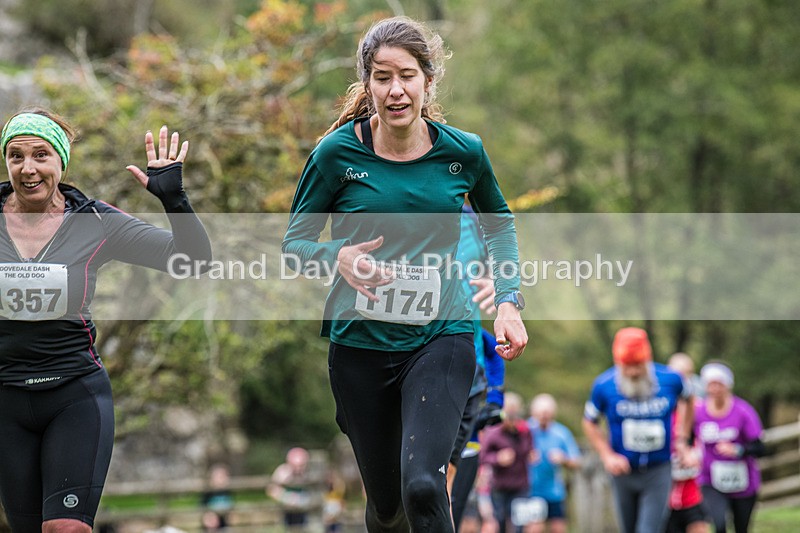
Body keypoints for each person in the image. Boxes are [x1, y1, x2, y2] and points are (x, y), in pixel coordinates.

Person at [281, 16, 527, 532]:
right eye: (382, 77)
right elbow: (295, 245)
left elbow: (499, 225)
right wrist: (338, 258)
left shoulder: (463, 152)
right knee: (389, 505)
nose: (396, 90)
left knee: (423, 484)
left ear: (428, 81)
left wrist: (508, 301)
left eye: (408, 76)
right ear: (367, 83)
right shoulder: (336, 155)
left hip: (443, 334)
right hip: (361, 344)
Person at [0, 108, 211, 532]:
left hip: (73, 394)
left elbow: (194, 262)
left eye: (41, 155)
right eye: (16, 156)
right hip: (5, 398)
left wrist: (175, 200)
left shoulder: (95, 221)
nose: (28, 169)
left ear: (61, 161)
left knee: (66, 527)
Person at [582, 327, 692, 533]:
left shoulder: (671, 379)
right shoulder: (603, 385)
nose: (632, 372)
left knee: (648, 530)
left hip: (658, 470)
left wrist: (682, 439)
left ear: (647, 359)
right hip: (623, 473)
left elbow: (689, 397)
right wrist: (607, 456)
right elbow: (589, 421)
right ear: (617, 362)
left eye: (638, 366)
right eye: (627, 366)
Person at [449, 205, 507, 532]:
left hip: (472, 400)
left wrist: (496, 399)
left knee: (455, 501)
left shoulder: (470, 216)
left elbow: (496, 353)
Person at [694, 362, 765, 533]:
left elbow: (760, 448)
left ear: (728, 386)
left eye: (719, 384)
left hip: (743, 483)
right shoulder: (698, 412)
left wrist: (738, 450)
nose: (715, 389)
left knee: (741, 528)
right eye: (711, 384)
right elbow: (686, 438)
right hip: (710, 480)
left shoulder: (743, 411)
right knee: (718, 524)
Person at [525, 393, 581, 533]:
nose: (544, 416)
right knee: (534, 528)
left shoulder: (562, 433)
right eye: (541, 413)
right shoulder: (525, 430)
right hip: (530, 490)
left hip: (555, 491)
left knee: (558, 528)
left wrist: (563, 459)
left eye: (547, 413)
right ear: (533, 412)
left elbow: (577, 462)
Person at [667, 354, 709, 533]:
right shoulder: (660, 407)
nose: (681, 379)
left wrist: (696, 453)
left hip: (696, 490)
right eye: (676, 373)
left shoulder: (701, 409)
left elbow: (711, 438)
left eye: (686, 374)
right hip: (665, 493)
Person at [480, 391, 533, 533]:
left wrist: (532, 455)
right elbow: (482, 457)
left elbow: (529, 450)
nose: (512, 420)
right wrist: (498, 458)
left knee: (519, 523)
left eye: (515, 416)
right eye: (509, 416)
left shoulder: (525, 431)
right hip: (500, 486)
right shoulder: (493, 432)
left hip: (521, 485)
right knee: (500, 521)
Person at [268, 447, 315, 532]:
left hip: (306, 510)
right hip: (287, 509)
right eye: (295, 466)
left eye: (301, 466)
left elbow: (316, 490)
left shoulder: (310, 473)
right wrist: (286, 498)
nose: (298, 469)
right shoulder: (282, 472)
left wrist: (305, 499)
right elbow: (272, 490)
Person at [200, 463, 234, 531]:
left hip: (224, 524)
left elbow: (230, 508)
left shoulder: (227, 492)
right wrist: (209, 517)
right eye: (218, 477)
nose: (221, 480)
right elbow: (202, 508)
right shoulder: (208, 493)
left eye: (224, 477)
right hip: (211, 525)